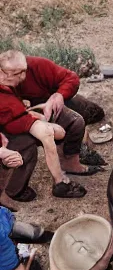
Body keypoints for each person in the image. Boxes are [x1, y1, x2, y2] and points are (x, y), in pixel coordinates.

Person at [0, 52, 99, 200]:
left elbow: (71, 78)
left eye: (10, 74)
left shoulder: (37, 66)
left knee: (76, 120)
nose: (4, 77)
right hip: (12, 123)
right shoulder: (5, 89)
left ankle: (70, 163)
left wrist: (57, 96)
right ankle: (19, 188)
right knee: (32, 143)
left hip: (27, 112)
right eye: (3, 73)